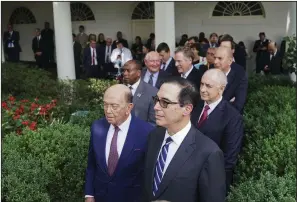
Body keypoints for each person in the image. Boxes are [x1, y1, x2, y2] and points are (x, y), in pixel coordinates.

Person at [142, 77, 226, 202]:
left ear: (187, 109)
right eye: (156, 100)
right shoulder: (154, 136)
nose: (156, 107)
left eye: (165, 102)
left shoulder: (209, 153)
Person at [84, 84, 154, 202]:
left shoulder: (146, 132)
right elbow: (92, 164)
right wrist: (89, 194)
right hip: (101, 197)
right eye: (105, 105)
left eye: (114, 106)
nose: (108, 110)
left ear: (129, 107)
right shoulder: (97, 127)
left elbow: (149, 174)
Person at [191, 68, 244, 194]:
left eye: (208, 86)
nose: (203, 89)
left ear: (221, 89)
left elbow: (229, 158)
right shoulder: (195, 106)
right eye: (202, 84)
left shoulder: (232, 116)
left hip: (211, 182)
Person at [214, 47, 248, 114]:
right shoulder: (210, 72)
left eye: (220, 58)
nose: (215, 61)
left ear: (230, 61)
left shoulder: (240, 78)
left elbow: (238, 106)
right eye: (215, 58)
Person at [122, 60, 158, 125]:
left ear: (138, 73)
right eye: (124, 71)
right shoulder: (119, 89)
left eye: (128, 71)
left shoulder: (152, 92)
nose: (125, 73)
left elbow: (153, 122)